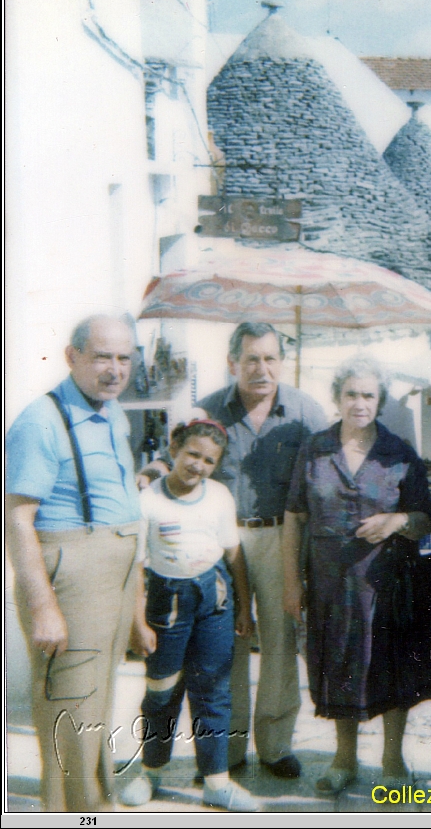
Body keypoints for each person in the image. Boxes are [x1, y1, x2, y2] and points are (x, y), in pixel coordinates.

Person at [5, 315, 145, 811]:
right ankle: (68, 814)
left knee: (97, 704)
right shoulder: (40, 420)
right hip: (73, 574)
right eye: (102, 356)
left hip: (115, 575)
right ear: (72, 357)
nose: (114, 369)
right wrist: (44, 607)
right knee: (71, 708)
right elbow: (18, 520)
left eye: (124, 357)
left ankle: (96, 807)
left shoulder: (112, 413)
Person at [282, 358, 431, 795]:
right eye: (351, 393)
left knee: (390, 666)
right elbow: (294, 517)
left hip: (384, 583)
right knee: (338, 667)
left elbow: (426, 517)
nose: (359, 402)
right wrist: (292, 582)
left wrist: (396, 521)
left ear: (380, 401)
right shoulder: (314, 448)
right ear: (337, 397)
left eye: (368, 395)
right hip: (330, 583)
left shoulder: (399, 452)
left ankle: (392, 760)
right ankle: (343, 758)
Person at [196, 323, 329, 778]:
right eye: (251, 359)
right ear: (233, 362)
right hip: (221, 542)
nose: (261, 368)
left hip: (282, 539)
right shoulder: (210, 411)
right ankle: (227, 750)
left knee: (279, 640)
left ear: (281, 362)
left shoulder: (305, 414)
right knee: (224, 644)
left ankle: (275, 745)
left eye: (270, 358)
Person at [121, 421, 259, 812]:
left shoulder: (218, 496)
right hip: (167, 601)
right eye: (192, 454)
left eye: (208, 460)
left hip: (214, 599)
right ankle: (151, 772)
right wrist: (138, 622)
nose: (198, 465)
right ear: (175, 449)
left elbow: (234, 554)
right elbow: (136, 567)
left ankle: (217, 781)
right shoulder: (149, 500)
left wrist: (244, 607)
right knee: (162, 691)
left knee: (213, 688)